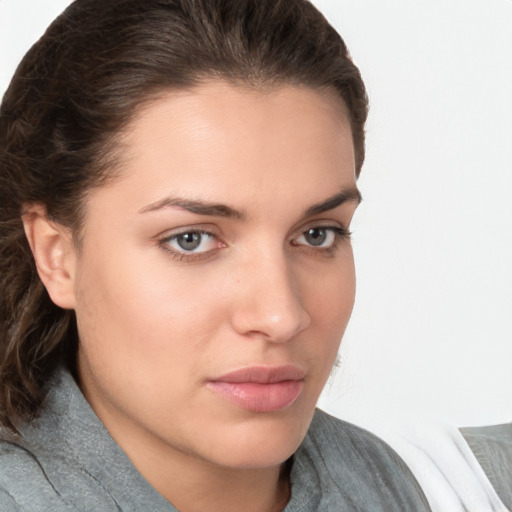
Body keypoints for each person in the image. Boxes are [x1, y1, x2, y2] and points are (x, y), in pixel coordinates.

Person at [0, 0, 432, 510]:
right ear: (57, 256)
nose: (281, 316)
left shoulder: (453, 487)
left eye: (318, 234)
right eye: (191, 239)